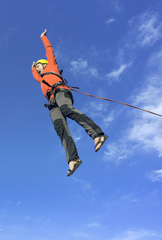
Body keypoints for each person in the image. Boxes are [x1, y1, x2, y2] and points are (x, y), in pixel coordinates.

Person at [31, 29, 108, 177]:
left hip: (61, 92)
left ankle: (98, 135)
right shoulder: (40, 78)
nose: (37, 68)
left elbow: (49, 50)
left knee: (67, 109)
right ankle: (73, 159)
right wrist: (32, 69)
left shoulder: (52, 66)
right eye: (36, 68)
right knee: (60, 128)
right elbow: (36, 77)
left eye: (38, 66)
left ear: (44, 64)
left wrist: (43, 38)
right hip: (52, 102)